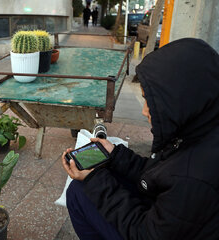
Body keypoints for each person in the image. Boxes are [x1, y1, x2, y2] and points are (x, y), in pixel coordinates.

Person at [61, 38, 219, 240]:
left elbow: (144, 233)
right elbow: (163, 173)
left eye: (151, 101)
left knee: (80, 190)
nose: (145, 111)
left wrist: (95, 180)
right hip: (173, 219)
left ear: (180, 99)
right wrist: (116, 154)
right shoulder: (200, 126)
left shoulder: (194, 176)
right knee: (101, 173)